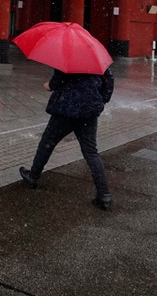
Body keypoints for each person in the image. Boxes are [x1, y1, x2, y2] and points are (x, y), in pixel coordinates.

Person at [18, 67, 115, 210]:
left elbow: (57, 81)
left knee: (47, 142)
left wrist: (49, 86)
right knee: (91, 152)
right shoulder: (96, 61)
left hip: (66, 109)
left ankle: (33, 176)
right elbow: (109, 80)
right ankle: (104, 194)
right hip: (88, 112)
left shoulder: (68, 59)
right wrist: (101, 99)